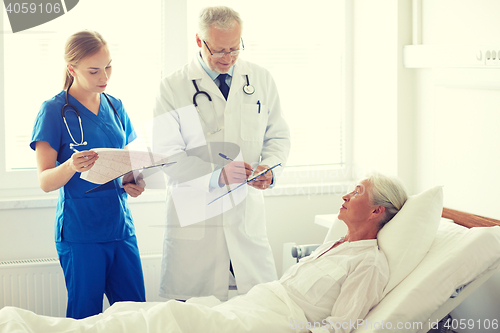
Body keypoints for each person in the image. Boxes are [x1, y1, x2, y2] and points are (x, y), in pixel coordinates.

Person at [0, 173, 408, 333]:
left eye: (356, 192)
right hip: (255, 305)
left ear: (377, 211)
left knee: (165, 318)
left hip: (273, 322)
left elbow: (342, 326)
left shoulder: (368, 262)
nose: (345, 193)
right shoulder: (335, 243)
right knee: (135, 313)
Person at [153, 6, 291, 301]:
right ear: (199, 42)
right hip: (197, 222)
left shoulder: (260, 79)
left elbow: (278, 135)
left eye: (234, 48)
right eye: (219, 51)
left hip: (245, 217)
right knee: (193, 316)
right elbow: (167, 154)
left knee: (259, 310)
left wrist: (269, 169)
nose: (228, 58)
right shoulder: (172, 87)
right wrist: (217, 176)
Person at [29, 30, 146, 319]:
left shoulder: (115, 106)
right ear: (72, 69)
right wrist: (70, 165)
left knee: (136, 315)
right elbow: (44, 181)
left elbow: (126, 162)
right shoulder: (54, 110)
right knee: (85, 317)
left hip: (120, 228)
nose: (104, 75)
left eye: (108, 66)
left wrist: (134, 181)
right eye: (94, 70)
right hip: (81, 233)